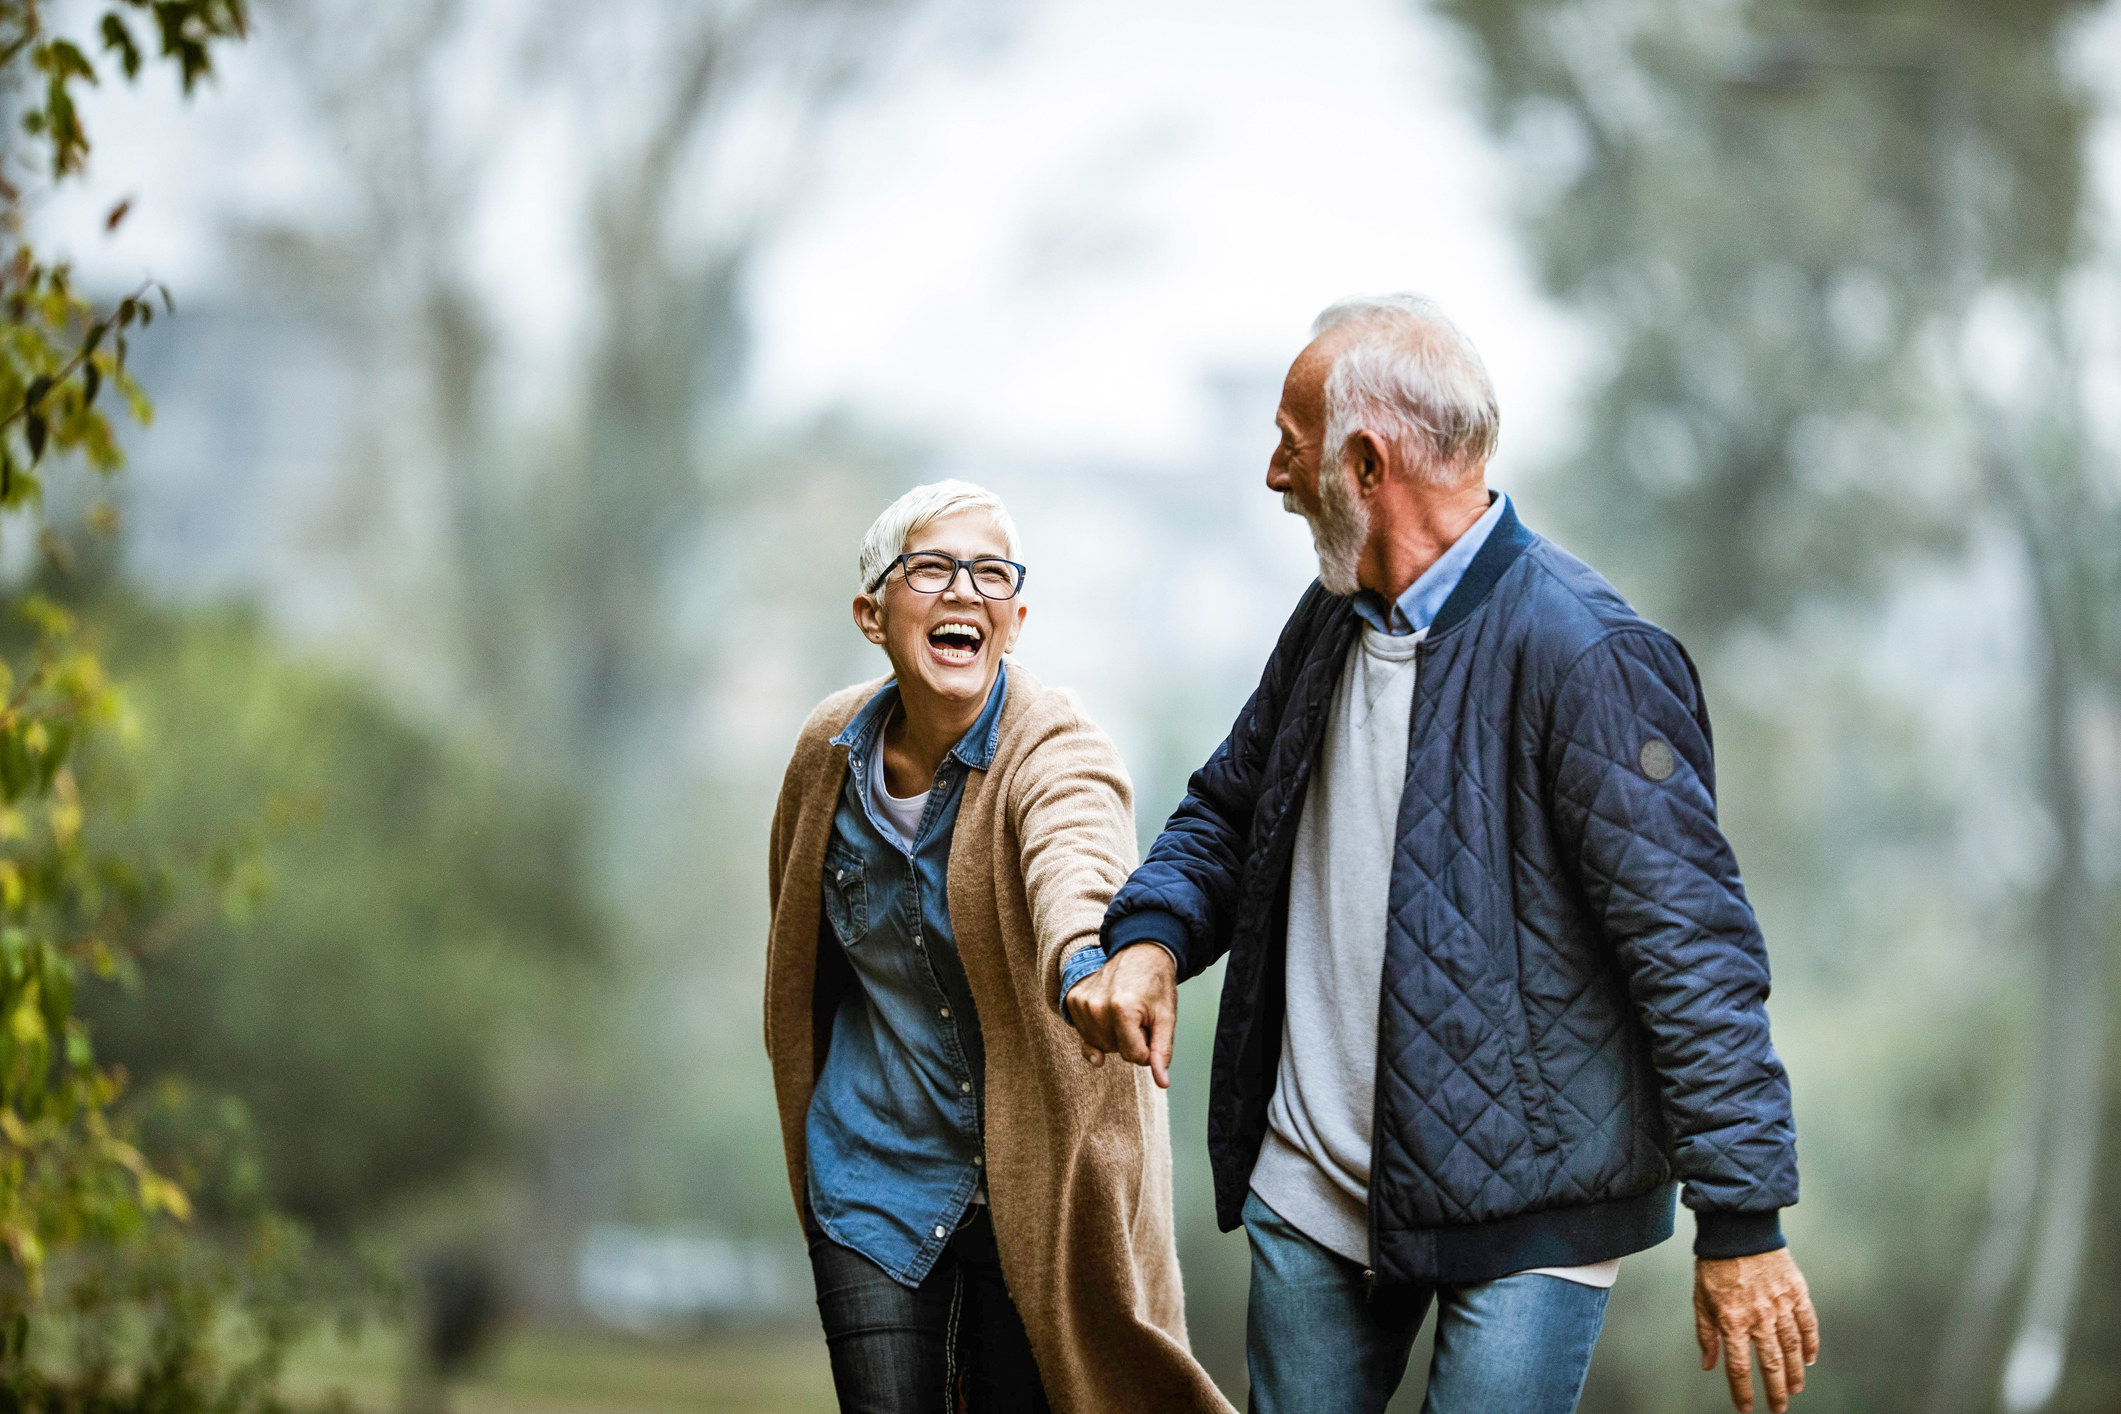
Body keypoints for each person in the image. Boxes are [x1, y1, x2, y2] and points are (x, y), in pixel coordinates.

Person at [1067, 295, 1821, 1414]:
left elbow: (1692, 952)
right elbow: (1230, 809)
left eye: (1289, 442)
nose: (1274, 475)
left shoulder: (1590, 654)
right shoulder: (1328, 618)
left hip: (1531, 1211)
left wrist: (1744, 1221)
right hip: (1312, 1191)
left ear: (1365, 462)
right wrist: (1150, 937)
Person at [763, 480, 1233, 1414]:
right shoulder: (827, 754)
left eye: (989, 574)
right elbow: (796, 947)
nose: (962, 591)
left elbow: (1077, 857)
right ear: (872, 613)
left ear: (1014, 619)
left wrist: (1086, 966)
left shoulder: (1053, 744)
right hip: (871, 1169)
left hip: (1036, 1185)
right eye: (931, 568)